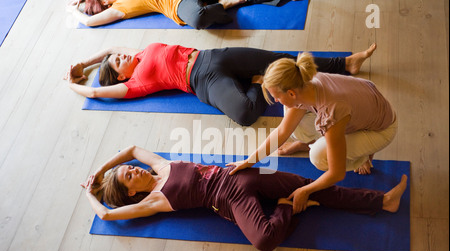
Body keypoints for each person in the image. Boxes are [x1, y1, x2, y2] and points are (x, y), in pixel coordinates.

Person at [81, 145, 408, 251]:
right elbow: (108, 217)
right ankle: (285, 206)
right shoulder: (153, 199)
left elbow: (131, 149)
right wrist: (89, 195)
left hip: (241, 175)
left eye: (129, 169)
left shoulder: (160, 164)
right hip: (229, 200)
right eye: (128, 177)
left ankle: (381, 201)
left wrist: (99, 171)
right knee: (264, 240)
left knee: (313, 187)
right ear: (132, 192)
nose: (134, 170)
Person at [227, 44, 398, 213]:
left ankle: (363, 156)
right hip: (364, 108)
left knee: (318, 156)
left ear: (291, 93)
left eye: (277, 97)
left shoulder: (331, 111)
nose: (276, 101)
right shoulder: (305, 83)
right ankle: (315, 142)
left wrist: (306, 190)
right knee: (293, 124)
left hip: (380, 130)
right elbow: (282, 132)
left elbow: (336, 173)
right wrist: (248, 161)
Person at [64, 42, 375, 126]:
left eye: (119, 56)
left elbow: (106, 49)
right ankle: (259, 84)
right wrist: (71, 85)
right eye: (118, 62)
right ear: (121, 76)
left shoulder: (140, 53)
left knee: (281, 59)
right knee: (243, 114)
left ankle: (345, 64)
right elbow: (93, 91)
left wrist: (83, 64)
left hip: (213, 57)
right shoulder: (135, 84)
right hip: (202, 80)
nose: (120, 55)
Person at [66, 0, 268, 30]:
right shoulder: (120, 8)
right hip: (176, 4)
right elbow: (90, 22)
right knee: (198, 18)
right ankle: (227, 2)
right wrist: (74, 11)